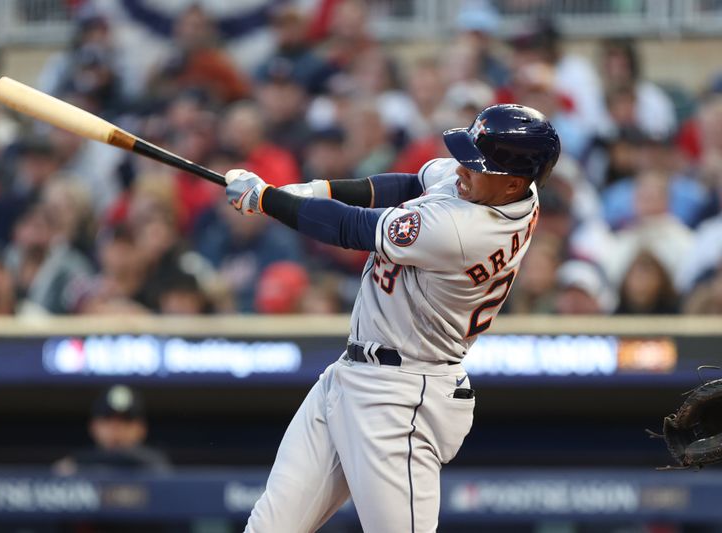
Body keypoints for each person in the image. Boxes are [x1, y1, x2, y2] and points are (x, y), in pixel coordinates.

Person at [224, 104, 560, 532]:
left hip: (402, 395)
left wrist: (269, 200)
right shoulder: (503, 191)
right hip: (353, 374)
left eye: (476, 165)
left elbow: (352, 228)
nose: (461, 169)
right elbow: (407, 183)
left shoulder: (464, 229)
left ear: (513, 181)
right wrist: (310, 190)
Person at [54, 384, 171, 474]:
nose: (116, 428)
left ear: (141, 429)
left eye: (126, 421)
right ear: (93, 426)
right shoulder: (72, 467)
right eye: (107, 420)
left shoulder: (157, 466)